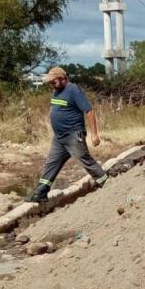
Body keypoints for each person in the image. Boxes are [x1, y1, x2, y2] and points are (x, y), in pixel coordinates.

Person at [28, 67, 108, 203]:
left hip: (73, 135)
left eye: (53, 82)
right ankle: (40, 193)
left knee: (85, 160)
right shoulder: (56, 91)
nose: (51, 85)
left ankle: (107, 184)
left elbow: (89, 111)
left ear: (62, 78)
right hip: (59, 137)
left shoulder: (73, 90)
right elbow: (57, 107)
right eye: (50, 83)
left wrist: (94, 135)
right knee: (51, 164)